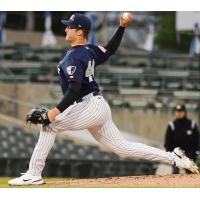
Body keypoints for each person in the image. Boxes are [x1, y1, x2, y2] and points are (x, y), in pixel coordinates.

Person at [8, 13, 199, 186]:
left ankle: (33, 174)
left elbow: (74, 90)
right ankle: (174, 158)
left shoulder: (75, 57)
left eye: (69, 26)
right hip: (96, 106)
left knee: (50, 124)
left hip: (89, 105)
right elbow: (110, 49)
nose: (66, 29)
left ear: (80, 31)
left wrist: (53, 112)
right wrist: (122, 27)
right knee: (122, 148)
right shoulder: (88, 50)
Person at [164, 104, 200, 174]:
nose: (179, 113)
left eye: (181, 112)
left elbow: (197, 140)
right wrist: (170, 154)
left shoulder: (192, 124)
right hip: (175, 155)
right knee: (175, 173)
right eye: (177, 112)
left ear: (185, 112)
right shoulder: (172, 125)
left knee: (190, 174)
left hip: (190, 155)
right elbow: (167, 141)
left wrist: (194, 152)